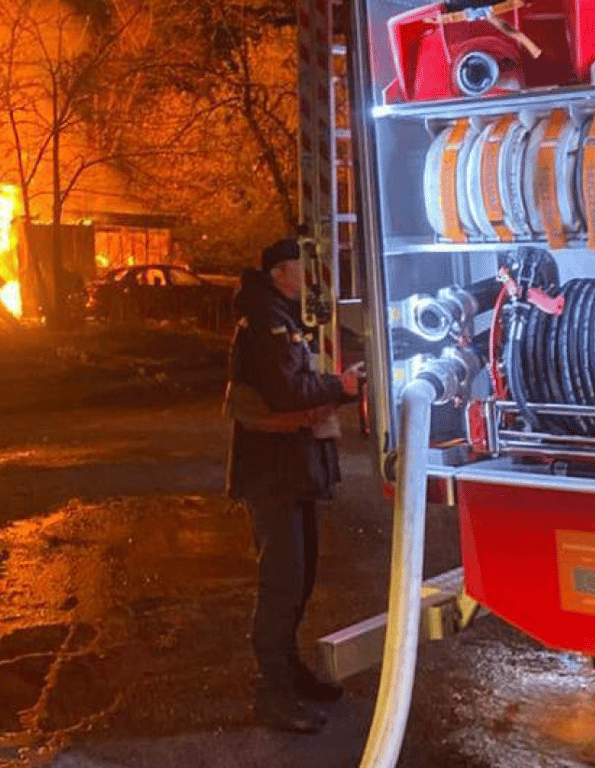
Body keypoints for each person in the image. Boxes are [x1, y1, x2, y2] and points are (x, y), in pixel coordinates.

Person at [224, 237, 363, 734]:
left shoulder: (292, 314)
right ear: (283, 272)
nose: (311, 278)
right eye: (304, 269)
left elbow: (327, 355)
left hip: (295, 470)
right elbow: (285, 392)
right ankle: (272, 691)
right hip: (273, 475)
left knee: (298, 581)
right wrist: (340, 387)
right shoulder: (267, 320)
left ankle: (290, 672)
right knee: (281, 584)